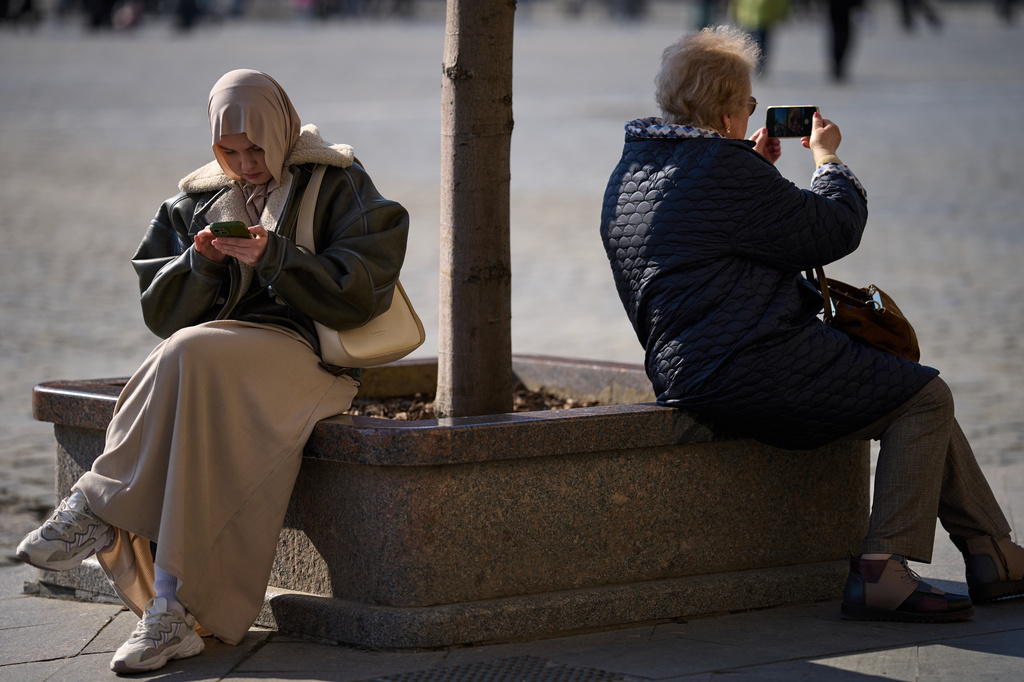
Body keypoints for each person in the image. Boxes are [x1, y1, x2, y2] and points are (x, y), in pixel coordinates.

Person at [599, 27, 1023, 624]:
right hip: (751, 363)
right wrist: (828, 159)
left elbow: (710, 242)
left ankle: (993, 554)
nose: (752, 111)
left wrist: (753, 168)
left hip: (688, 367)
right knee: (925, 398)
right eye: (748, 103)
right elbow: (832, 228)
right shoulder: (724, 172)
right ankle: (883, 570)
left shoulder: (634, 170)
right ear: (726, 111)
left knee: (904, 383)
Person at [16, 69, 410, 672]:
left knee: (188, 354)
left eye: (257, 148)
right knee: (190, 372)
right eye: (229, 151)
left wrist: (274, 255)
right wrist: (198, 262)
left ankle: (97, 510)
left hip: (306, 358)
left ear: (283, 131)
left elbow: (361, 291)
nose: (246, 163)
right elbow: (160, 311)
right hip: (216, 359)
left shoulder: (339, 181)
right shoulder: (197, 198)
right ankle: (169, 610)